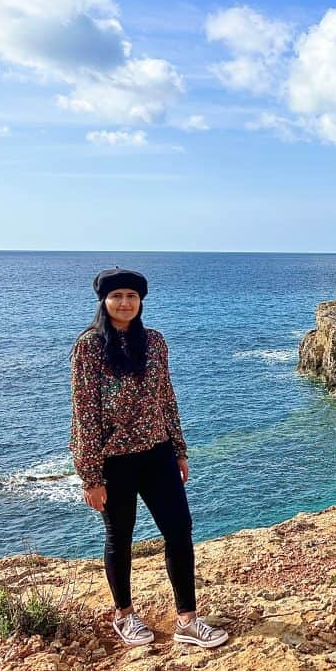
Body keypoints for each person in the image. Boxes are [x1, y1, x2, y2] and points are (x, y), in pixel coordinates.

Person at [69, 267, 228, 649]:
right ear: (104, 301)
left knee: (179, 530)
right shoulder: (89, 346)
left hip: (157, 454)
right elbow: (84, 412)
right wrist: (90, 475)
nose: (125, 303)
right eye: (117, 296)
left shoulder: (155, 342)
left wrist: (179, 450)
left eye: (132, 297)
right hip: (113, 461)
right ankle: (124, 615)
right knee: (119, 537)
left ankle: (188, 620)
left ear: (141, 302)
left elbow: (166, 398)